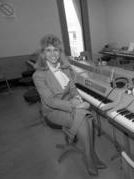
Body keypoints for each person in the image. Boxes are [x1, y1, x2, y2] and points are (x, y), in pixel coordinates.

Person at [32, 34, 106, 176]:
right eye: (49, 50)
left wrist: (78, 98)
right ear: (43, 53)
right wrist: (74, 105)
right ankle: (90, 158)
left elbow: (73, 89)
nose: (53, 54)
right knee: (86, 117)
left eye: (56, 50)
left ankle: (90, 155)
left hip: (71, 105)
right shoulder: (39, 75)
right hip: (53, 111)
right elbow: (50, 101)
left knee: (86, 117)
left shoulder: (65, 69)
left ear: (60, 52)